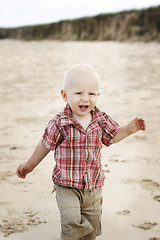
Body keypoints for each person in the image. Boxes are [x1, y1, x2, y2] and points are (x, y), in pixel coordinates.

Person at [16, 63, 146, 240]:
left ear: (98, 95)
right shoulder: (59, 122)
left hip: (93, 186)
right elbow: (45, 145)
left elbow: (113, 136)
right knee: (71, 222)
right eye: (78, 93)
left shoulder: (100, 119)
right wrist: (30, 165)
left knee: (91, 229)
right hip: (66, 184)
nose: (85, 99)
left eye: (91, 94)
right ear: (64, 95)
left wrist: (129, 129)